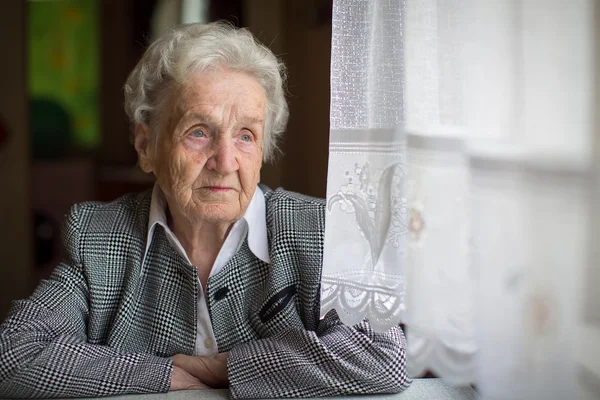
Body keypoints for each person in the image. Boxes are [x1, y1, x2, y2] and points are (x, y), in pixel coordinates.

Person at [0, 22, 410, 398]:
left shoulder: (318, 230)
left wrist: (225, 368)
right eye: (199, 132)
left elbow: (382, 356)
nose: (226, 160)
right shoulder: (100, 237)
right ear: (146, 147)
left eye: (246, 136)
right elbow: (14, 355)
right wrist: (162, 374)